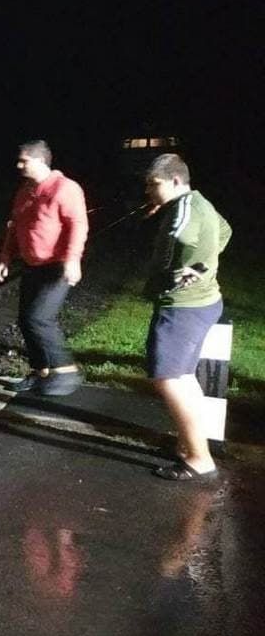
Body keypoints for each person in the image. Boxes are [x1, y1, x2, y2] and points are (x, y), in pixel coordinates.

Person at [141, 153, 231, 481]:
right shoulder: (200, 203)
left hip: (182, 307)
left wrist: (185, 272)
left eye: (154, 185)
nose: (149, 191)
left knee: (166, 377)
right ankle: (188, 444)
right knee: (182, 377)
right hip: (204, 303)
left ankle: (199, 459)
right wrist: (204, 267)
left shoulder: (184, 213)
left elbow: (180, 235)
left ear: (176, 181)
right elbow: (226, 231)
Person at [0, 140, 89, 396]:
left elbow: (78, 225)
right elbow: (14, 226)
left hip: (57, 266)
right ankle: (41, 372)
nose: (19, 165)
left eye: (24, 160)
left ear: (40, 160)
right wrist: (5, 257)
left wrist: (73, 259)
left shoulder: (65, 188)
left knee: (39, 318)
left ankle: (66, 371)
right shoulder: (25, 190)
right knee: (26, 321)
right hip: (31, 265)